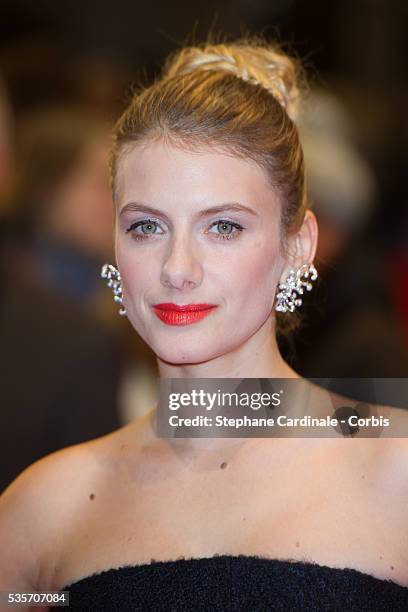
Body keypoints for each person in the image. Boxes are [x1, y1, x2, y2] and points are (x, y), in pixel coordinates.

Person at [1, 36, 408, 611]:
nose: (178, 269)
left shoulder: (396, 471)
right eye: (147, 227)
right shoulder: (47, 509)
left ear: (298, 246)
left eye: (223, 227)